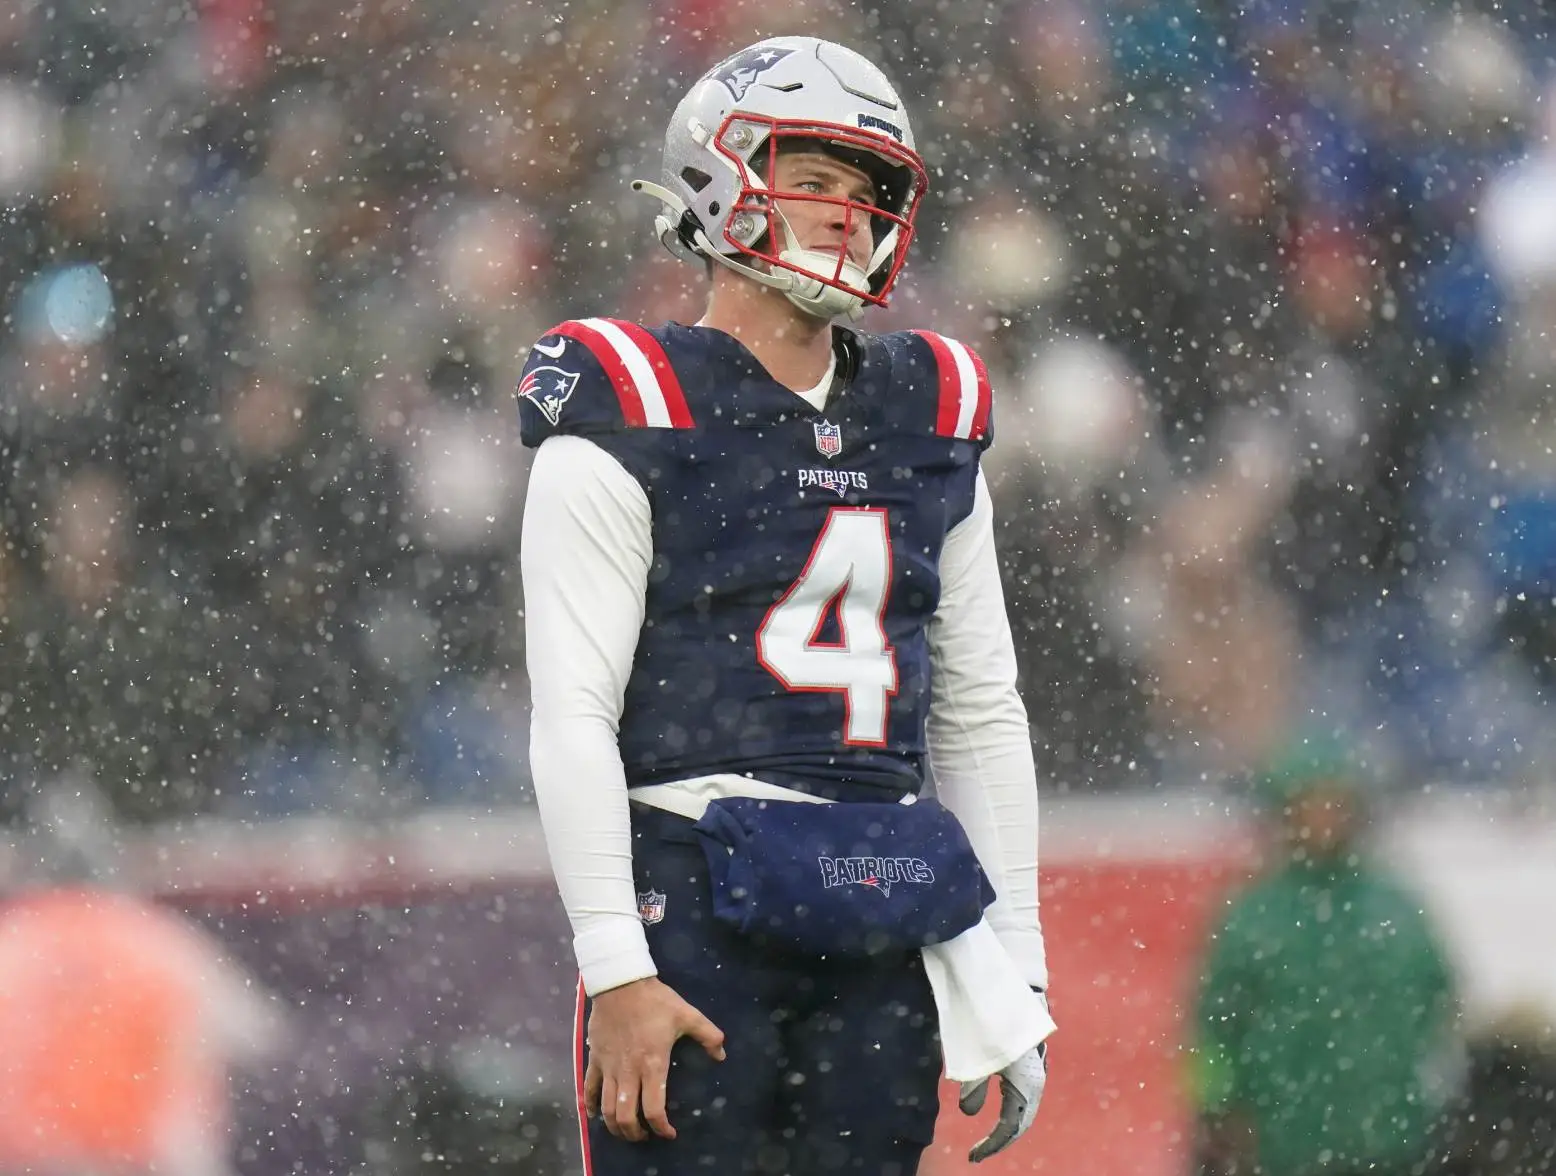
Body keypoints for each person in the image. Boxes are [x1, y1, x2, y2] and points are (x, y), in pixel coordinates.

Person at [519, 36, 1054, 1175]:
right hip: (695, 900)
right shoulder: (629, 398)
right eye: (809, 178)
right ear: (717, 175)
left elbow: (979, 711)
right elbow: (571, 713)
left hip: (878, 907)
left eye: (865, 193)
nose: (843, 216)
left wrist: (1017, 965)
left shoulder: (930, 406)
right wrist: (616, 962)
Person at [1187, 734, 1463, 1176]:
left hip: (1392, 1143)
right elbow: (1212, 1029)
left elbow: (1442, 1008)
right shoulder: (1250, 916)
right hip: (1281, 1148)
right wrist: (1215, 1111)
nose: (1322, 819)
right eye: (1307, 804)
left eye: (1335, 804)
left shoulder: (1397, 907)